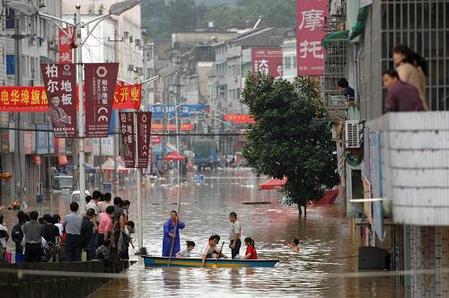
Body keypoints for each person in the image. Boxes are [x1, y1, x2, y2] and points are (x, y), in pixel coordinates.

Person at [392, 44, 428, 110]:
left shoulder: (404, 68)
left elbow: (400, 87)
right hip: (419, 105)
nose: (394, 56)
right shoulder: (415, 69)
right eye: (394, 53)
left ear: (404, 55)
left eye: (397, 53)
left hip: (411, 107)